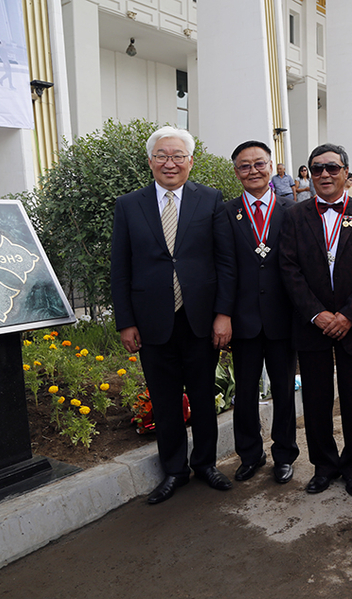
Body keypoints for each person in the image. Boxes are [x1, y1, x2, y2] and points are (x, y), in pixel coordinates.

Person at [110, 126, 236, 505]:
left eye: (178, 156)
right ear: (150, 161)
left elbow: (225, 262)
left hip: (200, 319)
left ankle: (206, 464)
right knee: (165, 402)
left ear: (190, 161)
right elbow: (120, 268)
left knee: (203, 397)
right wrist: (126, 322)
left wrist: (223, 314)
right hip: (151, 322)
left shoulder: (210, 200)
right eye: (162, 156)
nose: (170, 163)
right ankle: (175, 471)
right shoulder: (129, 205)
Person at [279, 143, 352, 497]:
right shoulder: (295, 215)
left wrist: (349, 315)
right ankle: (323, 466)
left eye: (332, 168)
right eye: (317, 169)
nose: (324, 174)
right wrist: (317, 314)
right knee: (316, 401)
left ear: (346, 173)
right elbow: (289, 269)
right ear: (309, 175)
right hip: (312, 324)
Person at [226, 141, 299, 484]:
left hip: (282, 317)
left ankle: (284, 454)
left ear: (271, 166)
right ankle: (250, 454)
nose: (253, 170)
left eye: (259, 163)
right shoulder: (227, 213)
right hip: (243, 319)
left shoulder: (292, 210)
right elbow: (224, 268)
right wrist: (223, 315)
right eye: (245, 166)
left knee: (284, 390)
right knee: (245, 391)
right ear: (236, 172)